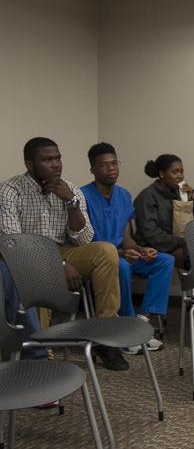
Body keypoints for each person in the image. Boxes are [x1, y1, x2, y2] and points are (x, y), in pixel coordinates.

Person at [0, 137, 125, 370]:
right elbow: (13, 243)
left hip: (65, 249)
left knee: (105, 251)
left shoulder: (71, 189)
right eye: (47, 160)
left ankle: (105, 337)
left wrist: (70, 202)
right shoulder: (10, 190)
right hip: (28, 255)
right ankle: (42, 352)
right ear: (29, 164)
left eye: (57, 158)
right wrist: (60, 263)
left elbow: (84, 238)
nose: (56, 165)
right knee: (32, 274)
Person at [81, 142, 172, 353]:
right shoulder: (83, 196)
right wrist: (122, 253)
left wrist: (141, 250)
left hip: (125, 254)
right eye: (104, 165)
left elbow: (127, 237)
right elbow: (83, 243)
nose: (111, 168)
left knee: (165, 261)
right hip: (103, 259)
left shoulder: (124, 195)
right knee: (119, 265)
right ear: (93, 169)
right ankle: (126, 328)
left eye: (114, 163)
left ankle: (143, 322)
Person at [134, 154, 193, 268]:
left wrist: (189, 200)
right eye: (175, 172)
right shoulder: (147, 196)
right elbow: (151, 233)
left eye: (181, 172)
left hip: (175, 243)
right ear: (162, 174)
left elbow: (185, 224)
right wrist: (181, 241)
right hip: (152, 247)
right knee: (193, 255)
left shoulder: (178, 193)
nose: (180, 176)